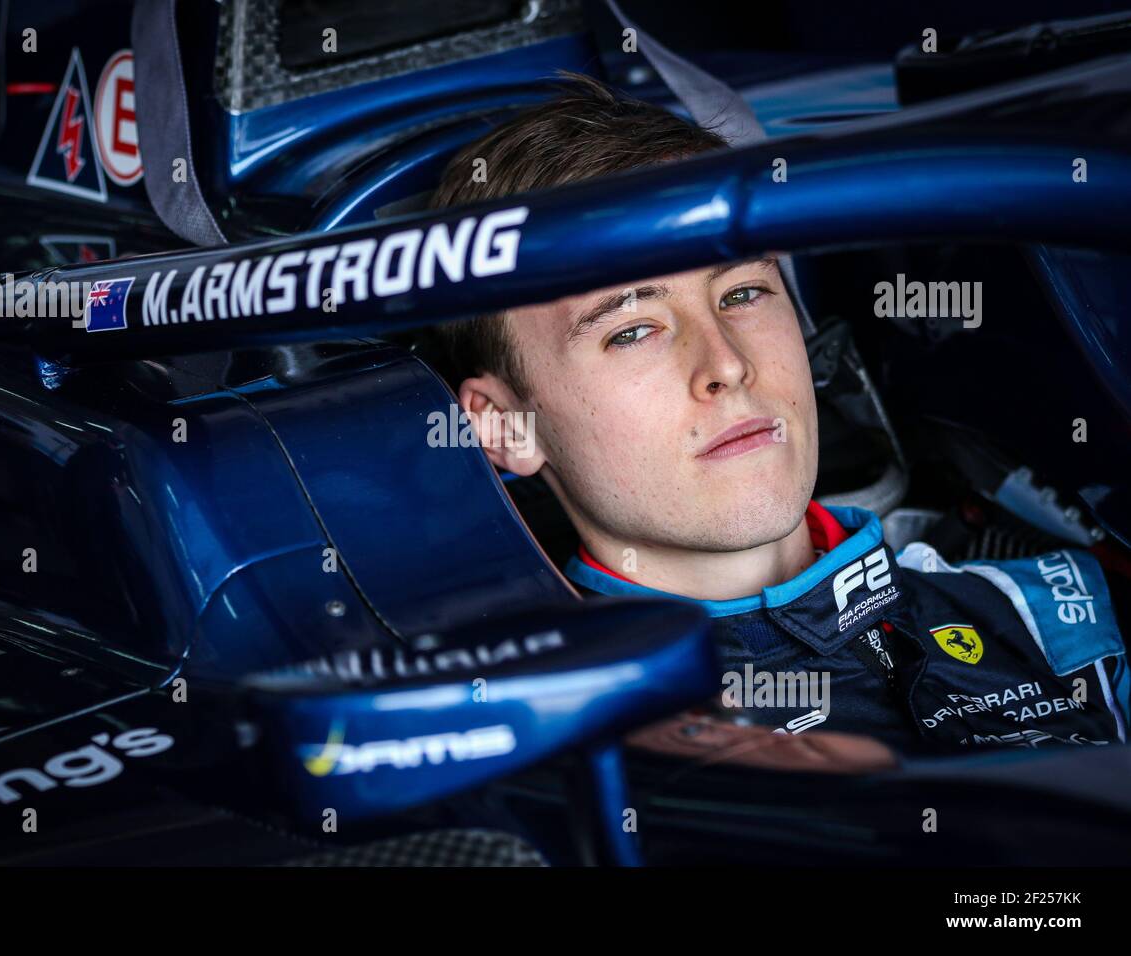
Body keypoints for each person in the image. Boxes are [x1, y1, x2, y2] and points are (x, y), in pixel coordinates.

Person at [427, 71, 1129, 752]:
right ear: (501, 426)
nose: (727, 365)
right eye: (632, 329)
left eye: (740, 294)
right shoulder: (555, 747)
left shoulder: (1057, 610)